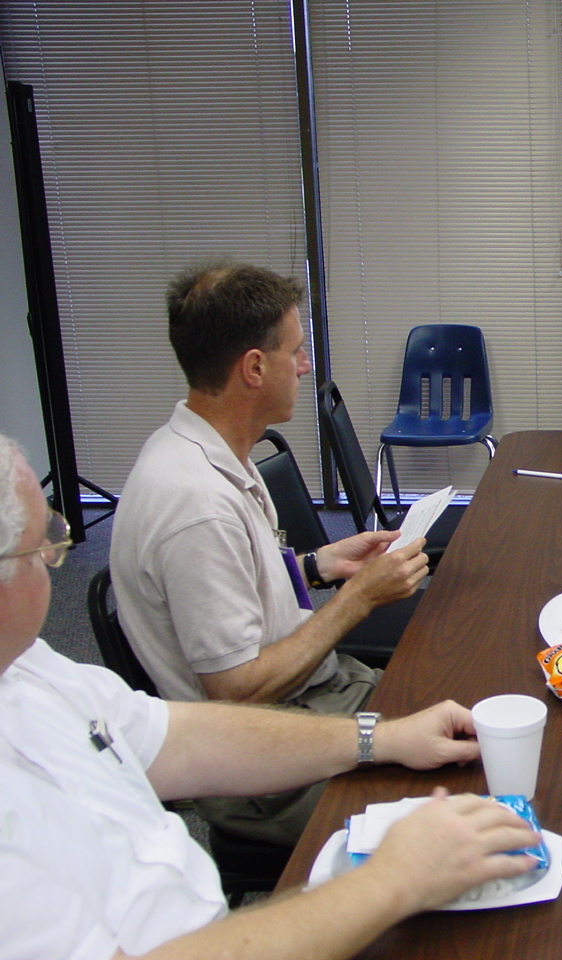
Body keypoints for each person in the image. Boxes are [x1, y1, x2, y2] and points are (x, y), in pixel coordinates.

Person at [0, 433, 540, 959]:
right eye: (43, 543)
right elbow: (235, 692)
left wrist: (383, 737)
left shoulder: (30, 669)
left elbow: (183, 740)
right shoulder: (191, 500)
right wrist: (394, 879)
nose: (53, 555)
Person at [111, 262, 429, 842]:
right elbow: (237, 691)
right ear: (254, 368)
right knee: (460, 783)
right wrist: (357, 599)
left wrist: (317, 566)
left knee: (460, 705)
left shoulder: (208, 450)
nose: (305, 366)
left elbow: (235, 591)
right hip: (258, 760)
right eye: (296, 351)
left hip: (312, 693)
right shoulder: (195, 504)